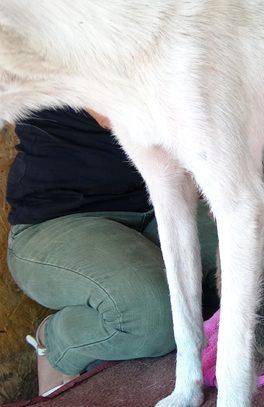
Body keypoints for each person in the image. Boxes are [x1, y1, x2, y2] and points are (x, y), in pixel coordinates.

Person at [6, 108, 219, 396]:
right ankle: (57, 341)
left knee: (258, 262)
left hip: (162, 203)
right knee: (155, 316)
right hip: (58, 218)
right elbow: (118, 110)